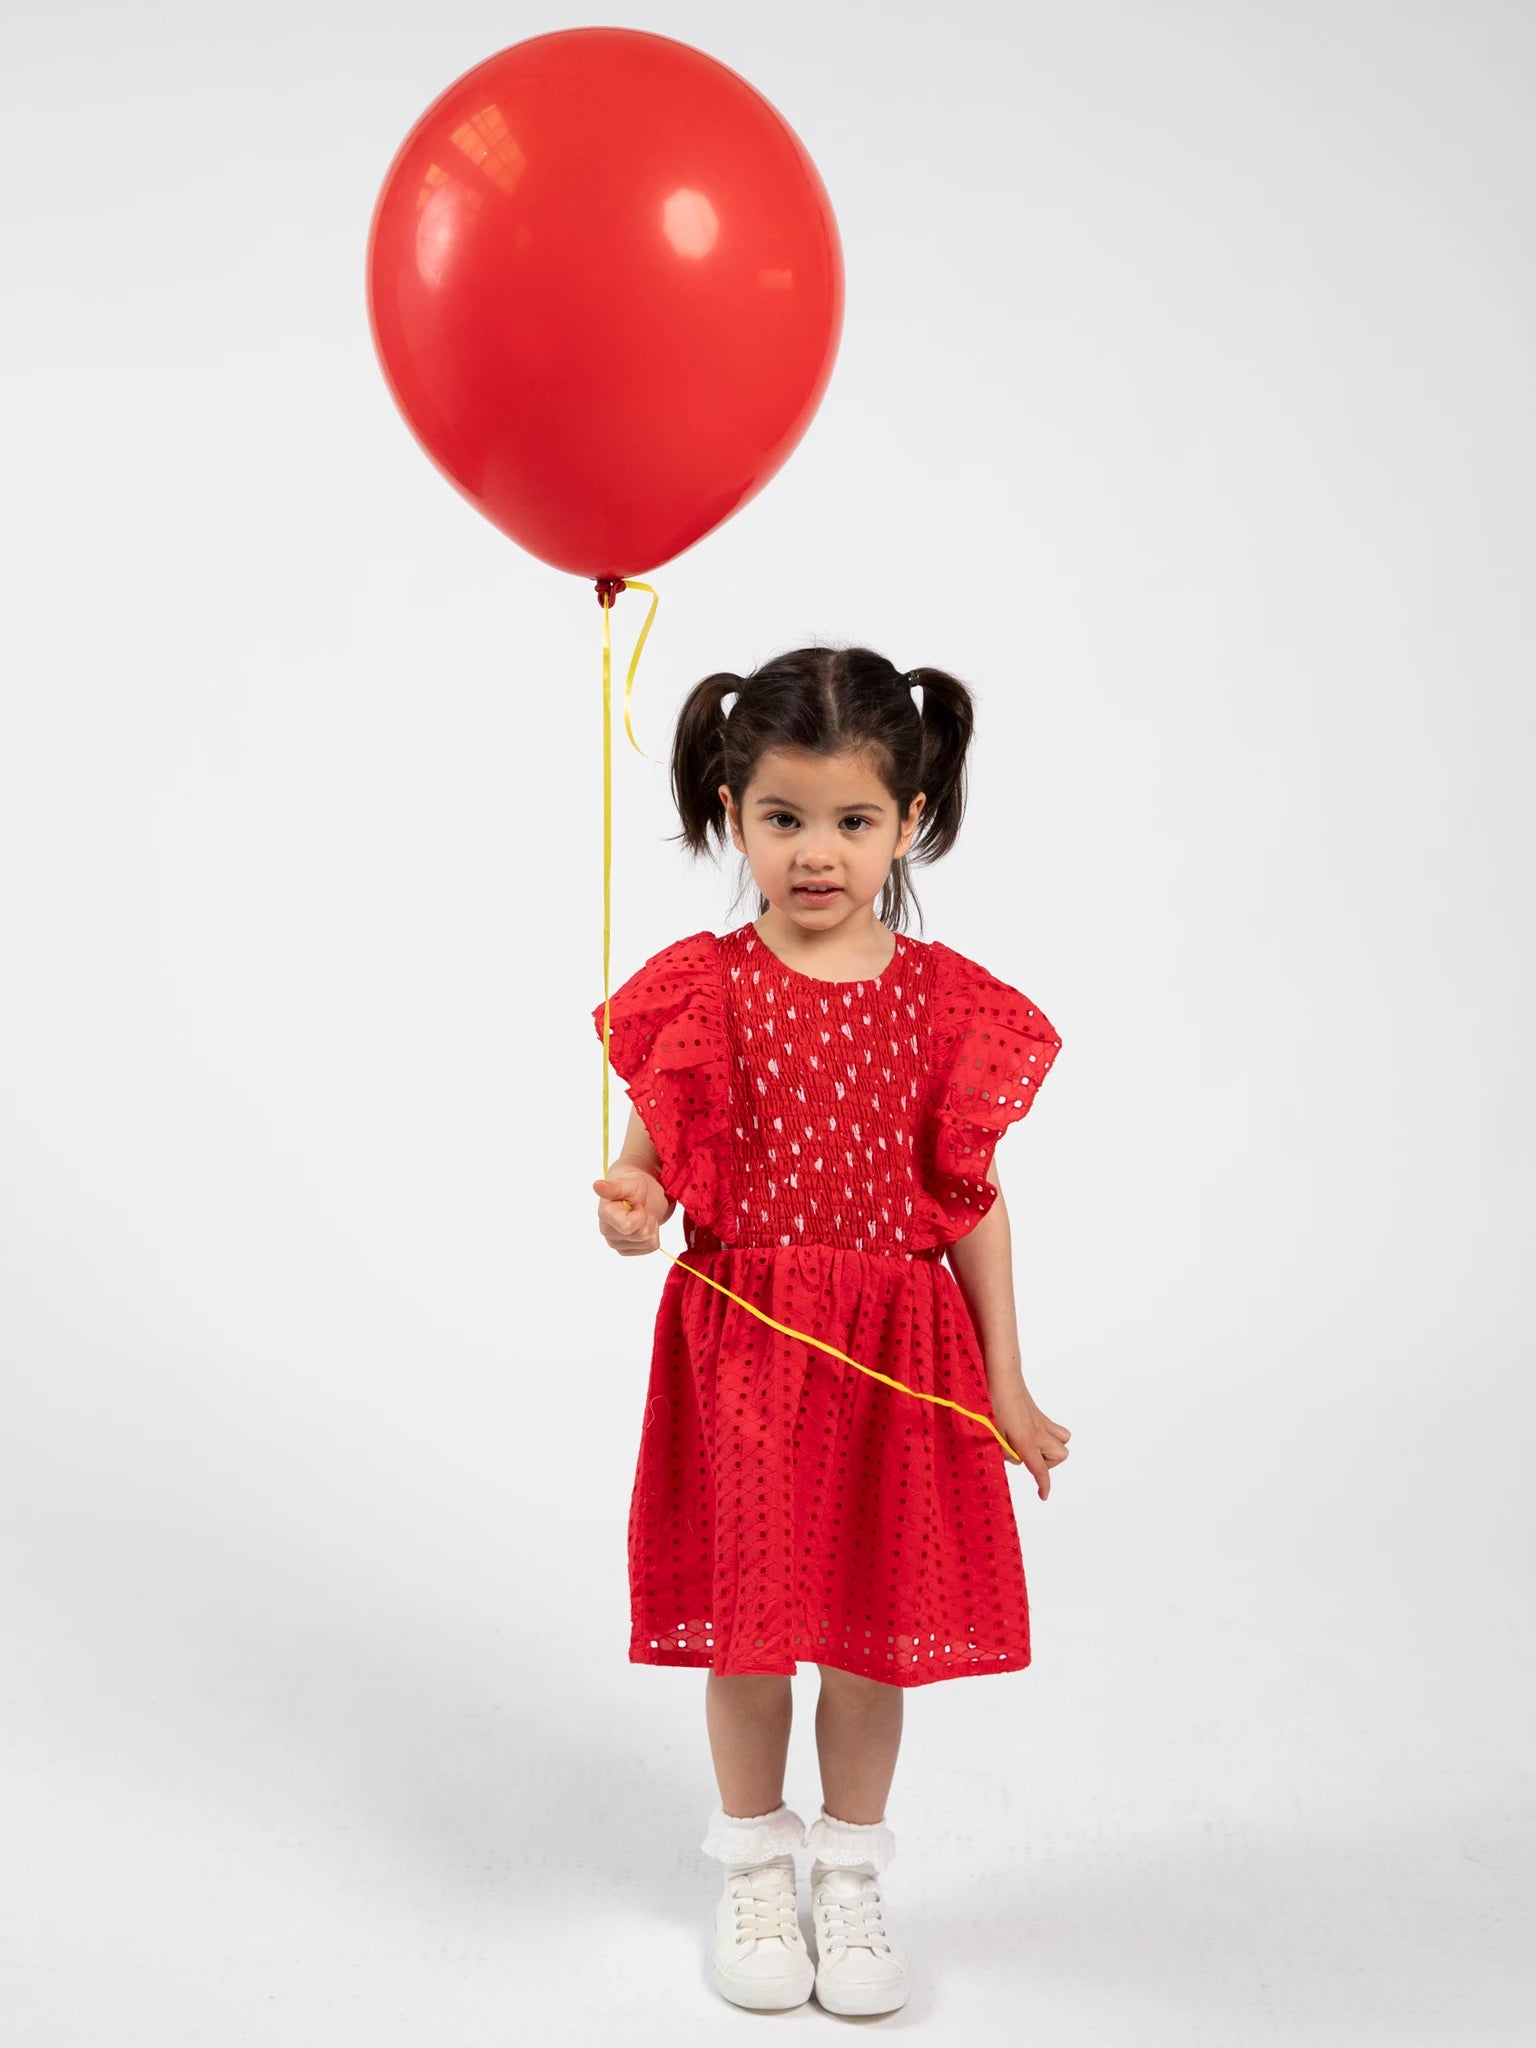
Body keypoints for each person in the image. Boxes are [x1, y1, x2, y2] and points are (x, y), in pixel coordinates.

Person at [590, 645, 1071, 2015]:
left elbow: (973, 1210)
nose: (816, 853)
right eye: (783, 818)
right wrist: (632, 1207)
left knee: (870, 1640)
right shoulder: (707, 989)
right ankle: (752, 1861)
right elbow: (653, 1169)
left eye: (853, 821)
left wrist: (1011, 1388)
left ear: (909, 821)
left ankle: (850, 1876)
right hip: (745, 1360)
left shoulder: (941, 1006)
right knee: (752, 1635)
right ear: (729, 812)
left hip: (899, 1368)